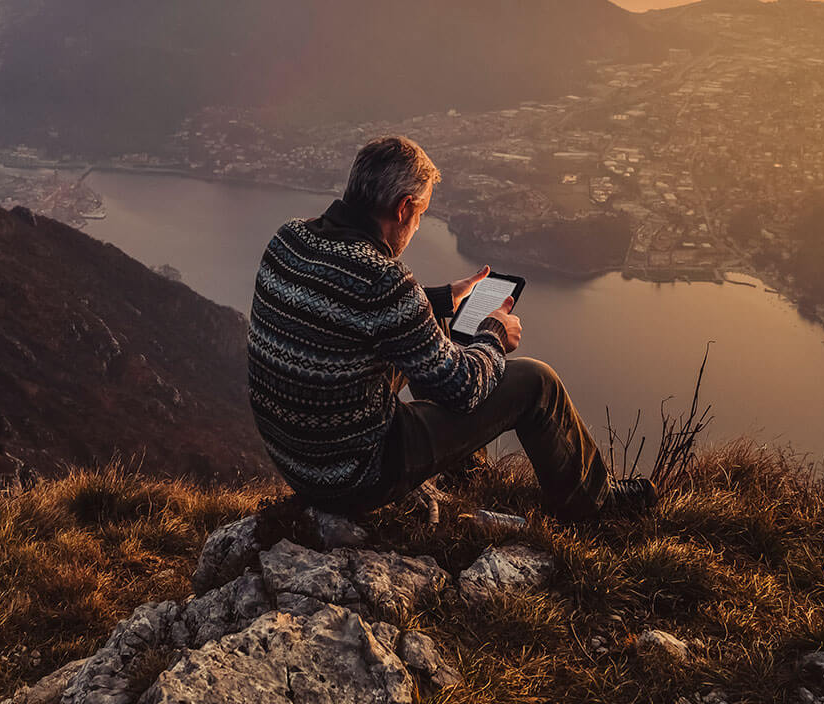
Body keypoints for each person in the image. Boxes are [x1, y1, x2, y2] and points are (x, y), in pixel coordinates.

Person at [247, 135, 656, 519]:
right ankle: (594, 505)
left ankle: (466, 473)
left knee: (437, 327)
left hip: (297, 459)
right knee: (537, 383)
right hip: (355, 475)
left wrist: (441, 299)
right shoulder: (384, 280)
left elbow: (344, 307)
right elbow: (463, 389)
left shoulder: (289, 238)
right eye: (422, 213)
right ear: (404, 208)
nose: (419, 225)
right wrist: (494, 335)